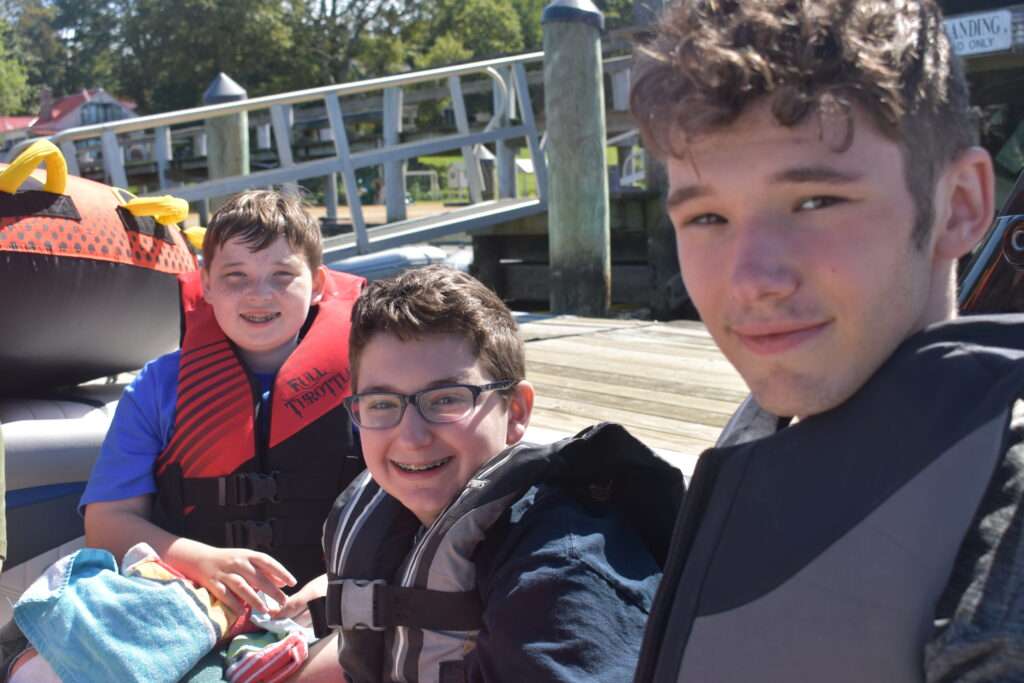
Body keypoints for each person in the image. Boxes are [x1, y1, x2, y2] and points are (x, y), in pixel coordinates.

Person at [628, 1, 1024, 681]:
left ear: (959, 204)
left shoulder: (1001, 536)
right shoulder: (766, 434)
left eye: (815, 202)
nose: (751, 280)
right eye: (708, 216)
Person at [293, 265, 683, 682]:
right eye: (382, 404)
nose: (412, 437)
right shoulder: (398, 511)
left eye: (445, 399)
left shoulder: (561, 575)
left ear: (515, 412)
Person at [80, 189, 365, 617]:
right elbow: (105, 524)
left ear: (318, 285)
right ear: (207, 285)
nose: (259, 294)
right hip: (193, 604)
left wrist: (344, 581)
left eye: (282, 275)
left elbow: (410, 504)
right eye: (236, 276)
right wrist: (201, 561)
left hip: (338, 603)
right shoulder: (156, 388)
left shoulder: (372, 382)